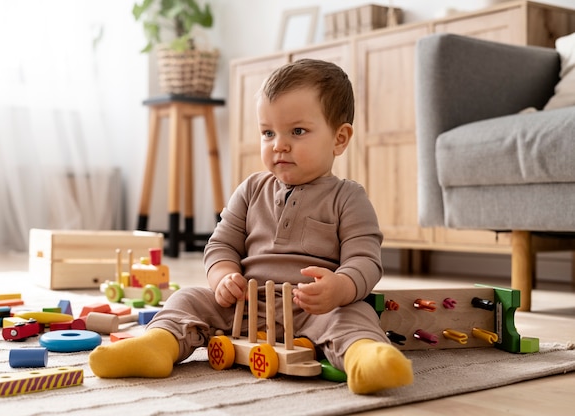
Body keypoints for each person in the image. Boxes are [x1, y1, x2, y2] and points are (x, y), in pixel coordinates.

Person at [89, 58, 413, 394]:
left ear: (339, 138)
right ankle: (157, 345)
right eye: (268, 132)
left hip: (312, 312)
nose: (279, 144)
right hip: (243, 306)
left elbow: (366, 260)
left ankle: (366, 357)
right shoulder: (251, 189)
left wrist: (340, 288)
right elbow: (221, 246)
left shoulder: (349, 197)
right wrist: (223, 277)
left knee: (356, 313)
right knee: (187, 299)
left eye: (297, 131)